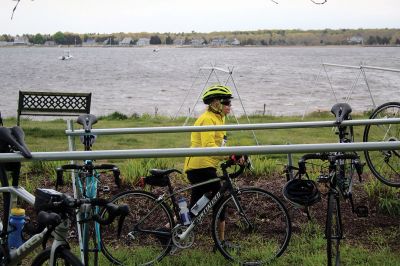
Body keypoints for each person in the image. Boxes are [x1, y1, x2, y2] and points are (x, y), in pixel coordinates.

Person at [184, 84, 244, 244]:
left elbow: (219, 146)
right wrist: (231, 155)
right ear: (215, 103)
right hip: (200, 167)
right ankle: (221, 243)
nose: (230, 106)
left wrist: (231, 157)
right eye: (227, 103)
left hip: (204, 166)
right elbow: (209, 147)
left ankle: (166, 230)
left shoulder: (219, 118)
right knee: (220, 201)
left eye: (230, 103)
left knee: (195, 207)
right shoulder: (207, 119)